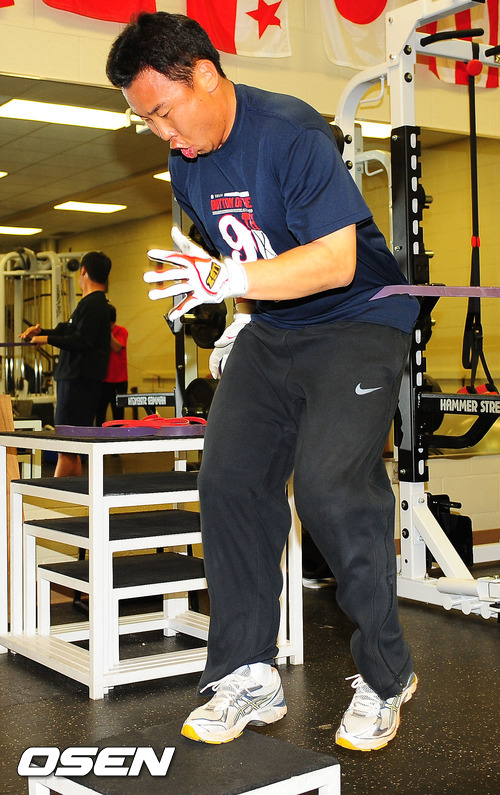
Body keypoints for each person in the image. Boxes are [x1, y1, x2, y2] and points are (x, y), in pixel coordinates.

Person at [106, 12, 420, 752]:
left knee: (330, 489)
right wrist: (240, 316)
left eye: (163, 111)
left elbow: (335, 261)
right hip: (276, 328)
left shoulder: (291, 131)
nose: (161, 132)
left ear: (205, 76)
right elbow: (244, 252)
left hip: (358, 320)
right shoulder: (188, 163)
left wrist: (232, 282)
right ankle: (248, 671)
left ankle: (387, 675)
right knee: (229, 481)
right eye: (145, 121)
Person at [20, 251, 112, 477]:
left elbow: (81, 340)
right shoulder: (89, 303)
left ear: (83, 271)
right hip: (76, 380)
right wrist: (42, 333)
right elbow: (69, 331)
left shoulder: (95, 305)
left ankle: (55, 492)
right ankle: (75, 492)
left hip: (78, 382)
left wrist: (46, 339)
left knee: (66, 447)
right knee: (71, 449)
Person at [95, 304, 128, 426]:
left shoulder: (121, 331)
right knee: (100, 415)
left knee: (118, 416)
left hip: (119, 381)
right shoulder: (98, 334)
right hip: (102, 380)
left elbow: (117, 347)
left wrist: (106, 331)